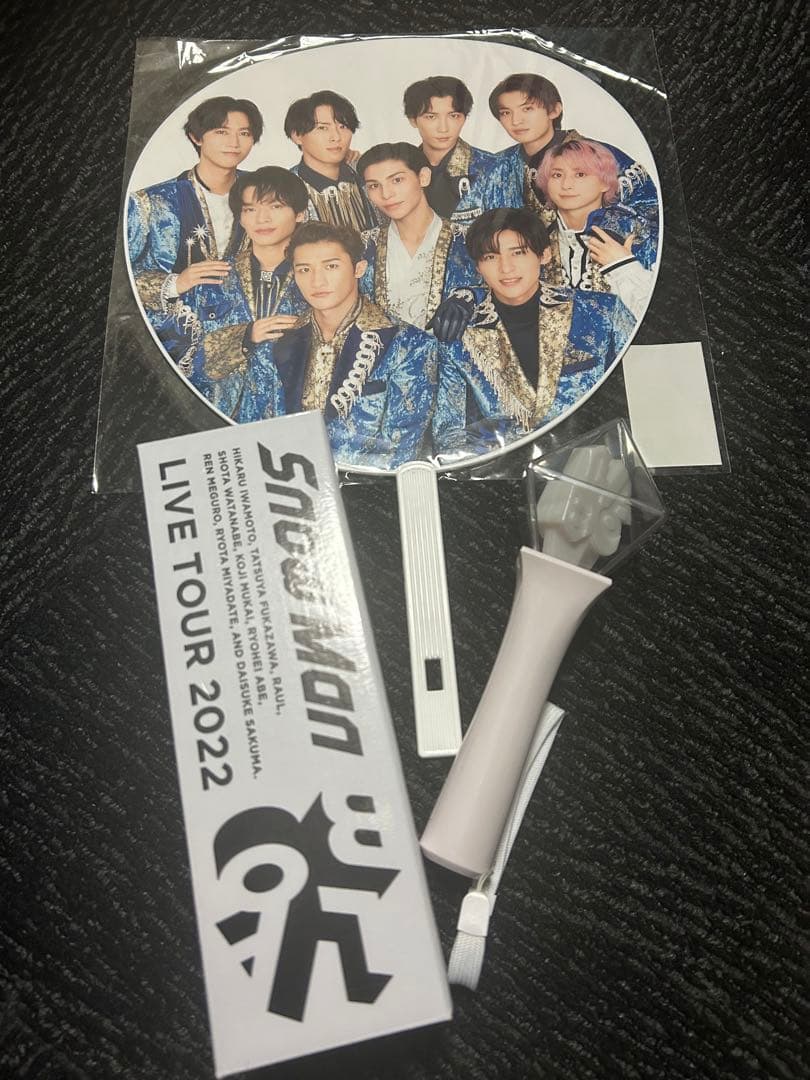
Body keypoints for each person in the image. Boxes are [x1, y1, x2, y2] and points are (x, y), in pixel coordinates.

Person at [203, 221, 438, 469]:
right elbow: (253, 433)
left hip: (367, 485)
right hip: (284, 482)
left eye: (331, 266)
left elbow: (399, 453)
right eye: (304, 270)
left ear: (358, 268)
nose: (317, 281)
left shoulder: (409, 346)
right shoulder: (273, 345)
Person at [433, 208, 635, 456]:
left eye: (518, 252)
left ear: (544, 254)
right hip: (506, 468)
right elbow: (449, 435)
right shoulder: (460, 335)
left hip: (597, 460)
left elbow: (638, 391)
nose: (506, 268)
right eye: (491, 257)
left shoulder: (601, 311)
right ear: (478, 267)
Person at [127, 95, 264, 362]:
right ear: (196, 137)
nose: (234, 142)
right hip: (176, 344)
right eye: (221, 132)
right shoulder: (152, 202)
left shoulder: (266, 193)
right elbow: (124, 279)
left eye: (244, 133)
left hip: (250, 339)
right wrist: (176, 283)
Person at [187, 167, 309, 421]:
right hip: (225, 417)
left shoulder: (319, 276)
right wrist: (246, 336)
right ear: (240, 218)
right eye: (250, 210)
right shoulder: (214, 278)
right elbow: (189, 362)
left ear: (300, 214)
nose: (261, 219)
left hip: (299, 416)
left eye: (275, 207)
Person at [467, 73, 658, 225]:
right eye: (506, 113)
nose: (516, 121)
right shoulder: (497, 165)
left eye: (527, 109)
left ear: (554, 110)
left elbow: (650, 210)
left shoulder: (600, 155)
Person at [355, 142, 480, 331]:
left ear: (423, 177)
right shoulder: (361, 246)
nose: (386, 194)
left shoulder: (468, 240)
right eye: (374, 185)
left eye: (397, 180)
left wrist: (472, 296)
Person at [535, 138, 657, 321]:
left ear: (605, 182)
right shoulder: (534, 240)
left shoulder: (638, 233)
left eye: (580, 174)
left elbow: (659, 315)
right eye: (557, 175)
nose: (566, 184)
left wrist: (624, 267)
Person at [402, 76, 496, 224]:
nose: (443, 128)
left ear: (464, 118)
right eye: (431, 117)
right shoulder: (400, 169)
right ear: (413, 120)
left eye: (453, 116)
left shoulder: (493, 167)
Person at [284, 91, 378, 231]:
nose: (336, 137)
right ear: (297, 136)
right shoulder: (283, 191)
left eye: (342, 127)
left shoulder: (367, 175)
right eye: (323, 128)